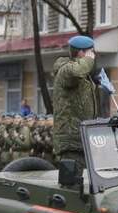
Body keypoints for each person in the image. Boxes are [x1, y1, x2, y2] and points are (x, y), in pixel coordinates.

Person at [52, 35, 98, 179]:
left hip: (79, 136)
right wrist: (89, 60)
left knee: (80, 181)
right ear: (81, 53)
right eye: (90, 52)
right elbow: (77, 72)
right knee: (72, 183)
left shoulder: (79, 72)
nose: (93, 56)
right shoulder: (66, 69)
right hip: (71, 138)